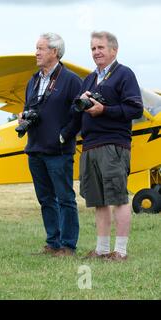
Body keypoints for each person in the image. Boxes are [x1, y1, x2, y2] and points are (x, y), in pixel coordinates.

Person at [61, 31, 143, 261]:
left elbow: (135, 109)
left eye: (101, 48)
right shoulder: (89, 79)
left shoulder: (124, 74)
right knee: (98, 200)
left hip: (113, 144)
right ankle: (102, 249)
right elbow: (76, 112)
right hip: (90, 145)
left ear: (113, 50)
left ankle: (121, 251)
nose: (96, 52)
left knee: (118, 197)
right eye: (93, 48)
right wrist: (64, 132)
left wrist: (104, 110)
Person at [19, 33, 82, 257]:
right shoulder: (33, 80)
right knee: (45, 199)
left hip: (58, 151)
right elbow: (30, 107)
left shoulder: (71, 80)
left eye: (40, 48)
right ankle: (53, 243)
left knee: (65, 198)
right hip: (35, 148)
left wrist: (64, 136)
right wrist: (23, 118)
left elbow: (79, 114)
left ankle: (68, 245)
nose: (36, 53)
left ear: (54, 52)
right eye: (36, 48)